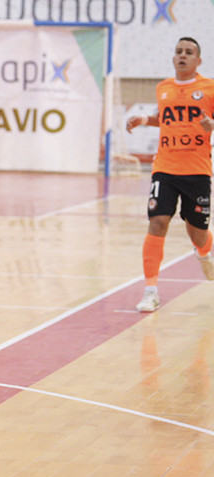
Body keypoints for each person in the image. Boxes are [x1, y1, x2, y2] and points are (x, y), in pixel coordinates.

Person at [126, 36, 214, 312]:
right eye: (178, 52)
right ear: (173, 58)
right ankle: (150, 290)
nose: (182, 56)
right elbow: (164, 119)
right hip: (165, 167)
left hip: (197, 170)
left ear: (198, 60)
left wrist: (212, 125)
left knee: (197, 233)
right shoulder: (163, 88)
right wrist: (143, 120)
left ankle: (204, 251)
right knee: (157, 222)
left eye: (189, 52)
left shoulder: (209, 88)